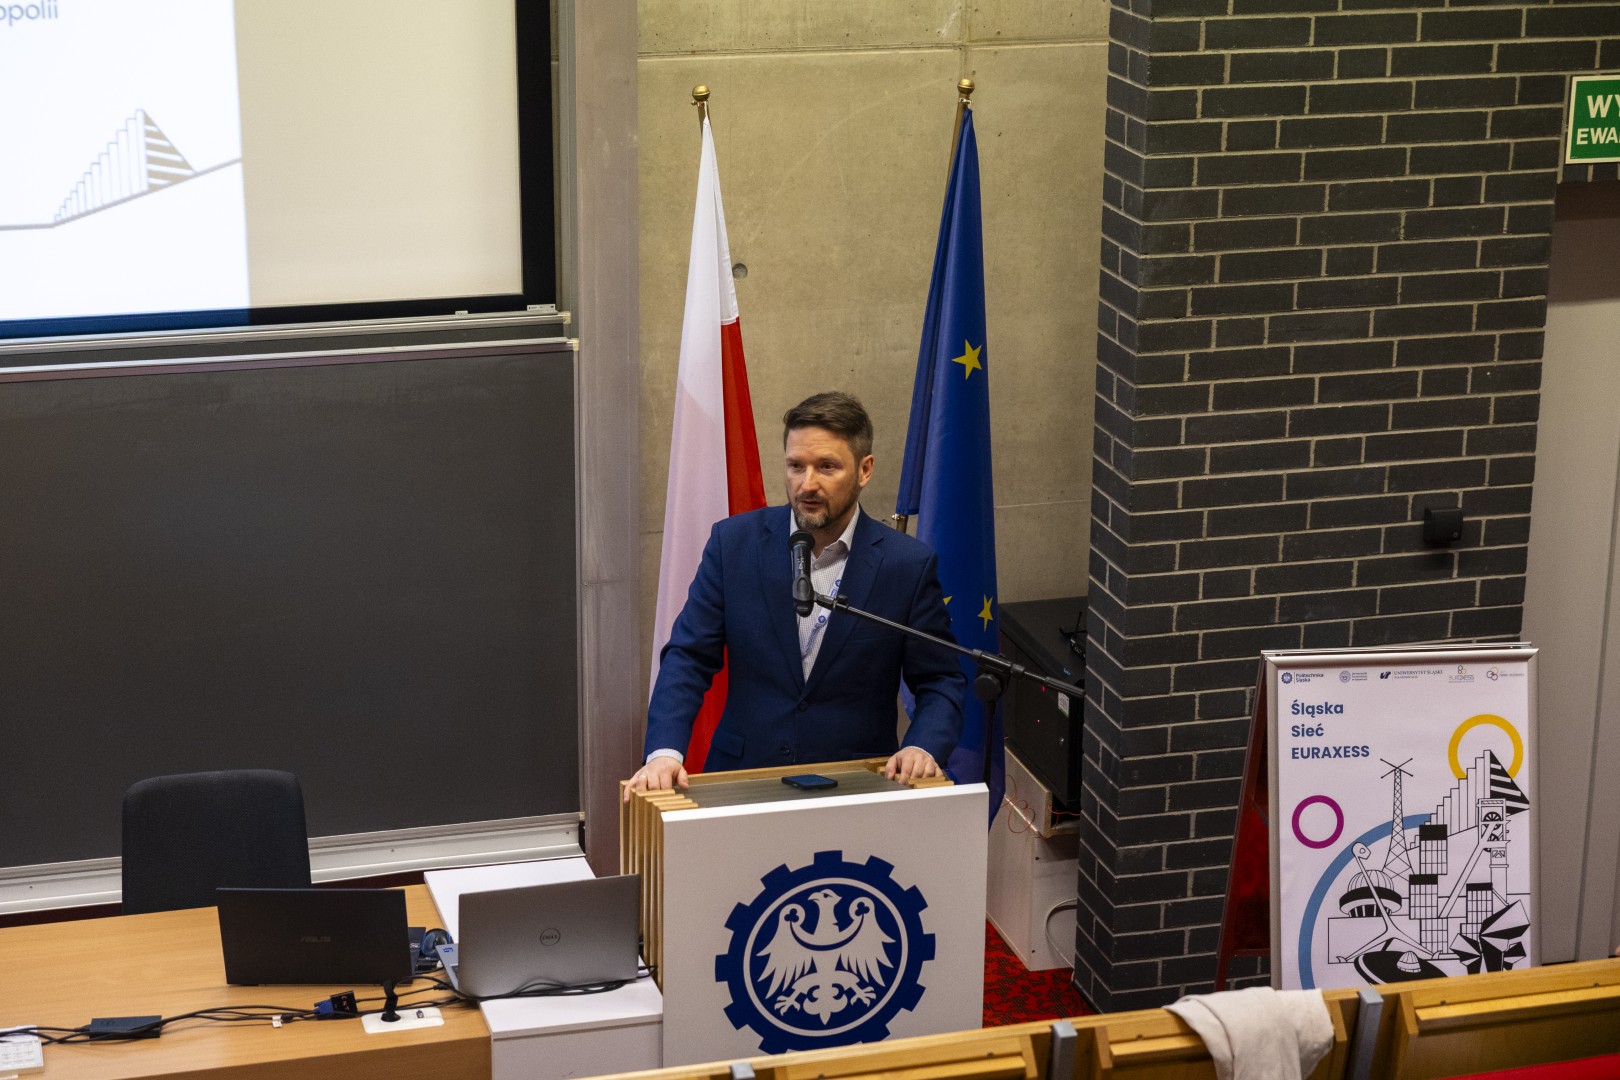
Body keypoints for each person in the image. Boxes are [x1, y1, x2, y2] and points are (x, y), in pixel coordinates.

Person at [627, 391, 965, 797]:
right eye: (796, 466)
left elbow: (940, 678)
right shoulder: (734, 545)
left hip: (856, 786)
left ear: (865, 470)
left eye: (827, 467)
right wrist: (664, 751)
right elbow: (688, 657)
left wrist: (922, 745)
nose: (808, 484)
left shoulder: (905, 565)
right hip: (744, 780)